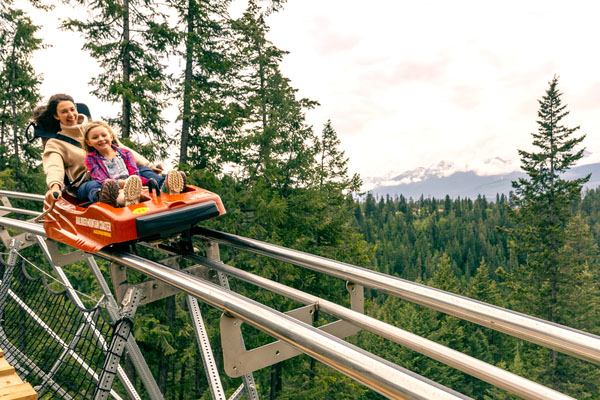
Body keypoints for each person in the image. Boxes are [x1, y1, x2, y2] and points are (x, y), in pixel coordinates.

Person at [34, 93, 182, 206]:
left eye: (72, 109)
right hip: (91, 181)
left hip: (120, 173)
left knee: (143, 172)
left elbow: (123, 150)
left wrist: (150, 165)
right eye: (64, 111)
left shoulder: (97, 130)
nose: (71, 114)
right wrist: (55, 186)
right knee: (93, 186)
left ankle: (165, 185)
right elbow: (54, 167)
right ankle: (108, 197)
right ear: (56, 116)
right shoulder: (56, 143)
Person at [82, 121, 145, 207]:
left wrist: (135, 182)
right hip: (113, 189)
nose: (101, 139)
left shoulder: (126, 153)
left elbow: (133, 171)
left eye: (104, 135)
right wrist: (120, 184)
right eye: (95, 137)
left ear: (111, 137)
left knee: (145, 188)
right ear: (89, 142)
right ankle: (127, 201)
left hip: (130, 185)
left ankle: (164, 189)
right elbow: (101, 179)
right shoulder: (91, 159)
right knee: (119, 196)